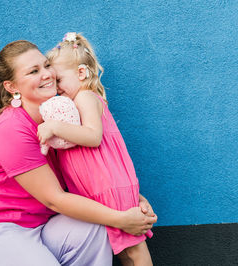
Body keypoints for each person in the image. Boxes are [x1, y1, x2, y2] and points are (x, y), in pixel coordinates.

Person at [0, 40, 157, 266]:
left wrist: (132, 201)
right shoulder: (11, 129)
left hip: (43, 228)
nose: (47, 74)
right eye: (34, 71)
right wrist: (122, 219)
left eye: (46, 65)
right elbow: (55, 199)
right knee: (106, 220)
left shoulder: (61, 119)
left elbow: (91, 171)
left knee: (95, 227)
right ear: (12, 87)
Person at [37, 32, 154, 266]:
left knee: (134, 251)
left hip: (108, 186)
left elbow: (93, 136)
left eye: (59, 80)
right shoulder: (71, 104)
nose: (56, 88)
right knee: (124, 251)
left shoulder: (86, 98)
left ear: (81, 73)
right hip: (98, 189)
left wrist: (54, 127)